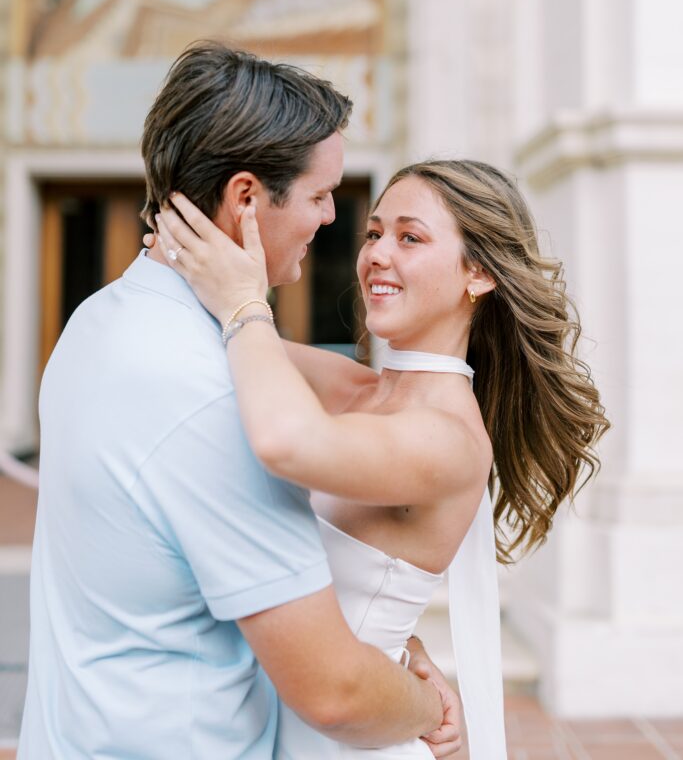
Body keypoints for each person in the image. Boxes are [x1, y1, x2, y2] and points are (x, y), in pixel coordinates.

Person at [18, 44, 461, 760]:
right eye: (321, 196)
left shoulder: (97, 320)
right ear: (247, 199)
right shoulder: (213, 398)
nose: (329, 222)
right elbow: (335, 693)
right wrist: (426, 706)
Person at [153, 158, 610, 759]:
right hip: (275, 719)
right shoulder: (350, 387)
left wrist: (246, 302)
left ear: (479, 274)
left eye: (410, 237)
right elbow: (203, 335)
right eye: (373, 233)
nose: (376, 255)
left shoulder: (451, 439)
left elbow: (286, 439)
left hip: (344, 742)